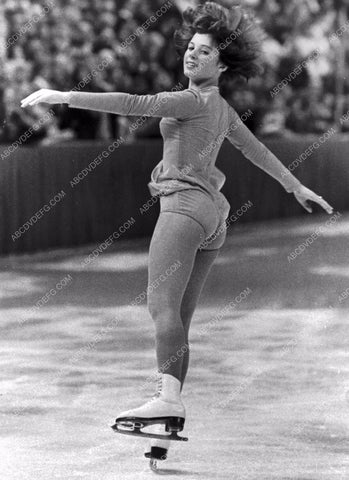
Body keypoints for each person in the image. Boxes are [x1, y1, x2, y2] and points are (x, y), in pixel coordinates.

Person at [21, 1, 333, 471]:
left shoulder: (192, 101)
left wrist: (62, 95)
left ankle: (166, 402)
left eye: (204, 52)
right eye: (190, 48)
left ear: (221, 64)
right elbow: (255, 151)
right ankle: (167, 427)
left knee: (160, 309)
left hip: (184, 209)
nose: (192, 55)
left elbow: (134, 105)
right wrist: (295, 185)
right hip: (213, 220)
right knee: (179, 322)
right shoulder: (222, 108)